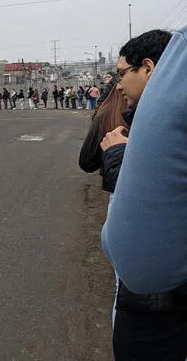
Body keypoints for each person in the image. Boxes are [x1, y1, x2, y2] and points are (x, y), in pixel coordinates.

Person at [100, 29, 179, 359]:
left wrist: (117, 155)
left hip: (162, 304)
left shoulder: (169, 120)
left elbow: (146, 196)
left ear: (147, 67)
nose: (118, 85)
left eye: (121, 74)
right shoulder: (155, 116)